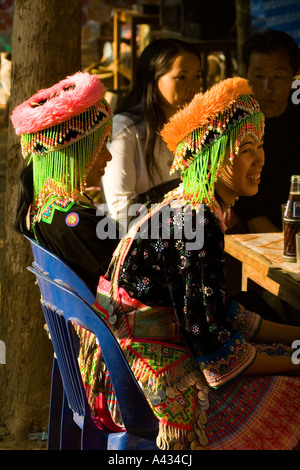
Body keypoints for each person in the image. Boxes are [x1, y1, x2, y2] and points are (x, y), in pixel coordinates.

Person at [77, 77, 300, 450]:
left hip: (120, 369)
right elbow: (216, 356)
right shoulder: (196, 222)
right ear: (212, 157)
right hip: (137, 387)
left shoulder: (181, 205)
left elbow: (214, 313)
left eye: (259, 145)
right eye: (246, 148)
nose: (260, 158)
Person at [12, 72, 119, 296]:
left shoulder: (45, 210)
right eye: (101, 146)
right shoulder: (71, 221)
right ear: (74, 151)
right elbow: (126, 285)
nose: (108, 157)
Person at [101, 38, 202, 233]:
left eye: (197, 76)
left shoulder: (197, 128)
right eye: (181, 77)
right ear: (153, 79)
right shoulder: (124, 129)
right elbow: (120, 211)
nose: (192, 87)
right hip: (138, 245)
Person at [233, 30, 300, 232]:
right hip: (249, 231)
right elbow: (247, 208)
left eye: (277, 76)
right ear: (246, 73)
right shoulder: (233, 122)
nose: (267, 87)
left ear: (294, 76)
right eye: (258, 75)